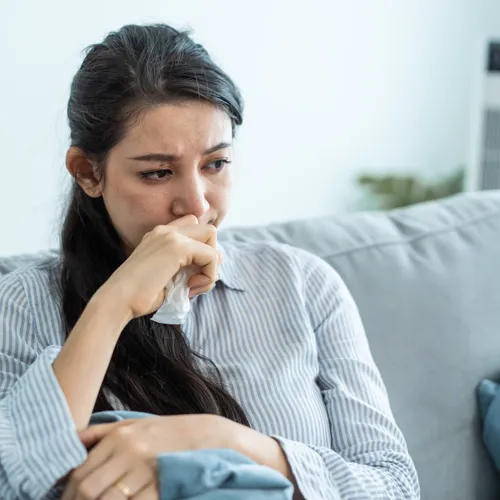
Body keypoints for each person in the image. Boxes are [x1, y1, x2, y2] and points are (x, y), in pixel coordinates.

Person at [0, 24, 419, 500]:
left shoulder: (303, 285)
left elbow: (394, 486)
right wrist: (111, 305)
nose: (196, 205)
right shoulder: (23, 304)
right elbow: (18, 485)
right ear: (88, 173)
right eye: (158, 173)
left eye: (215, 164)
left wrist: (224, 440)